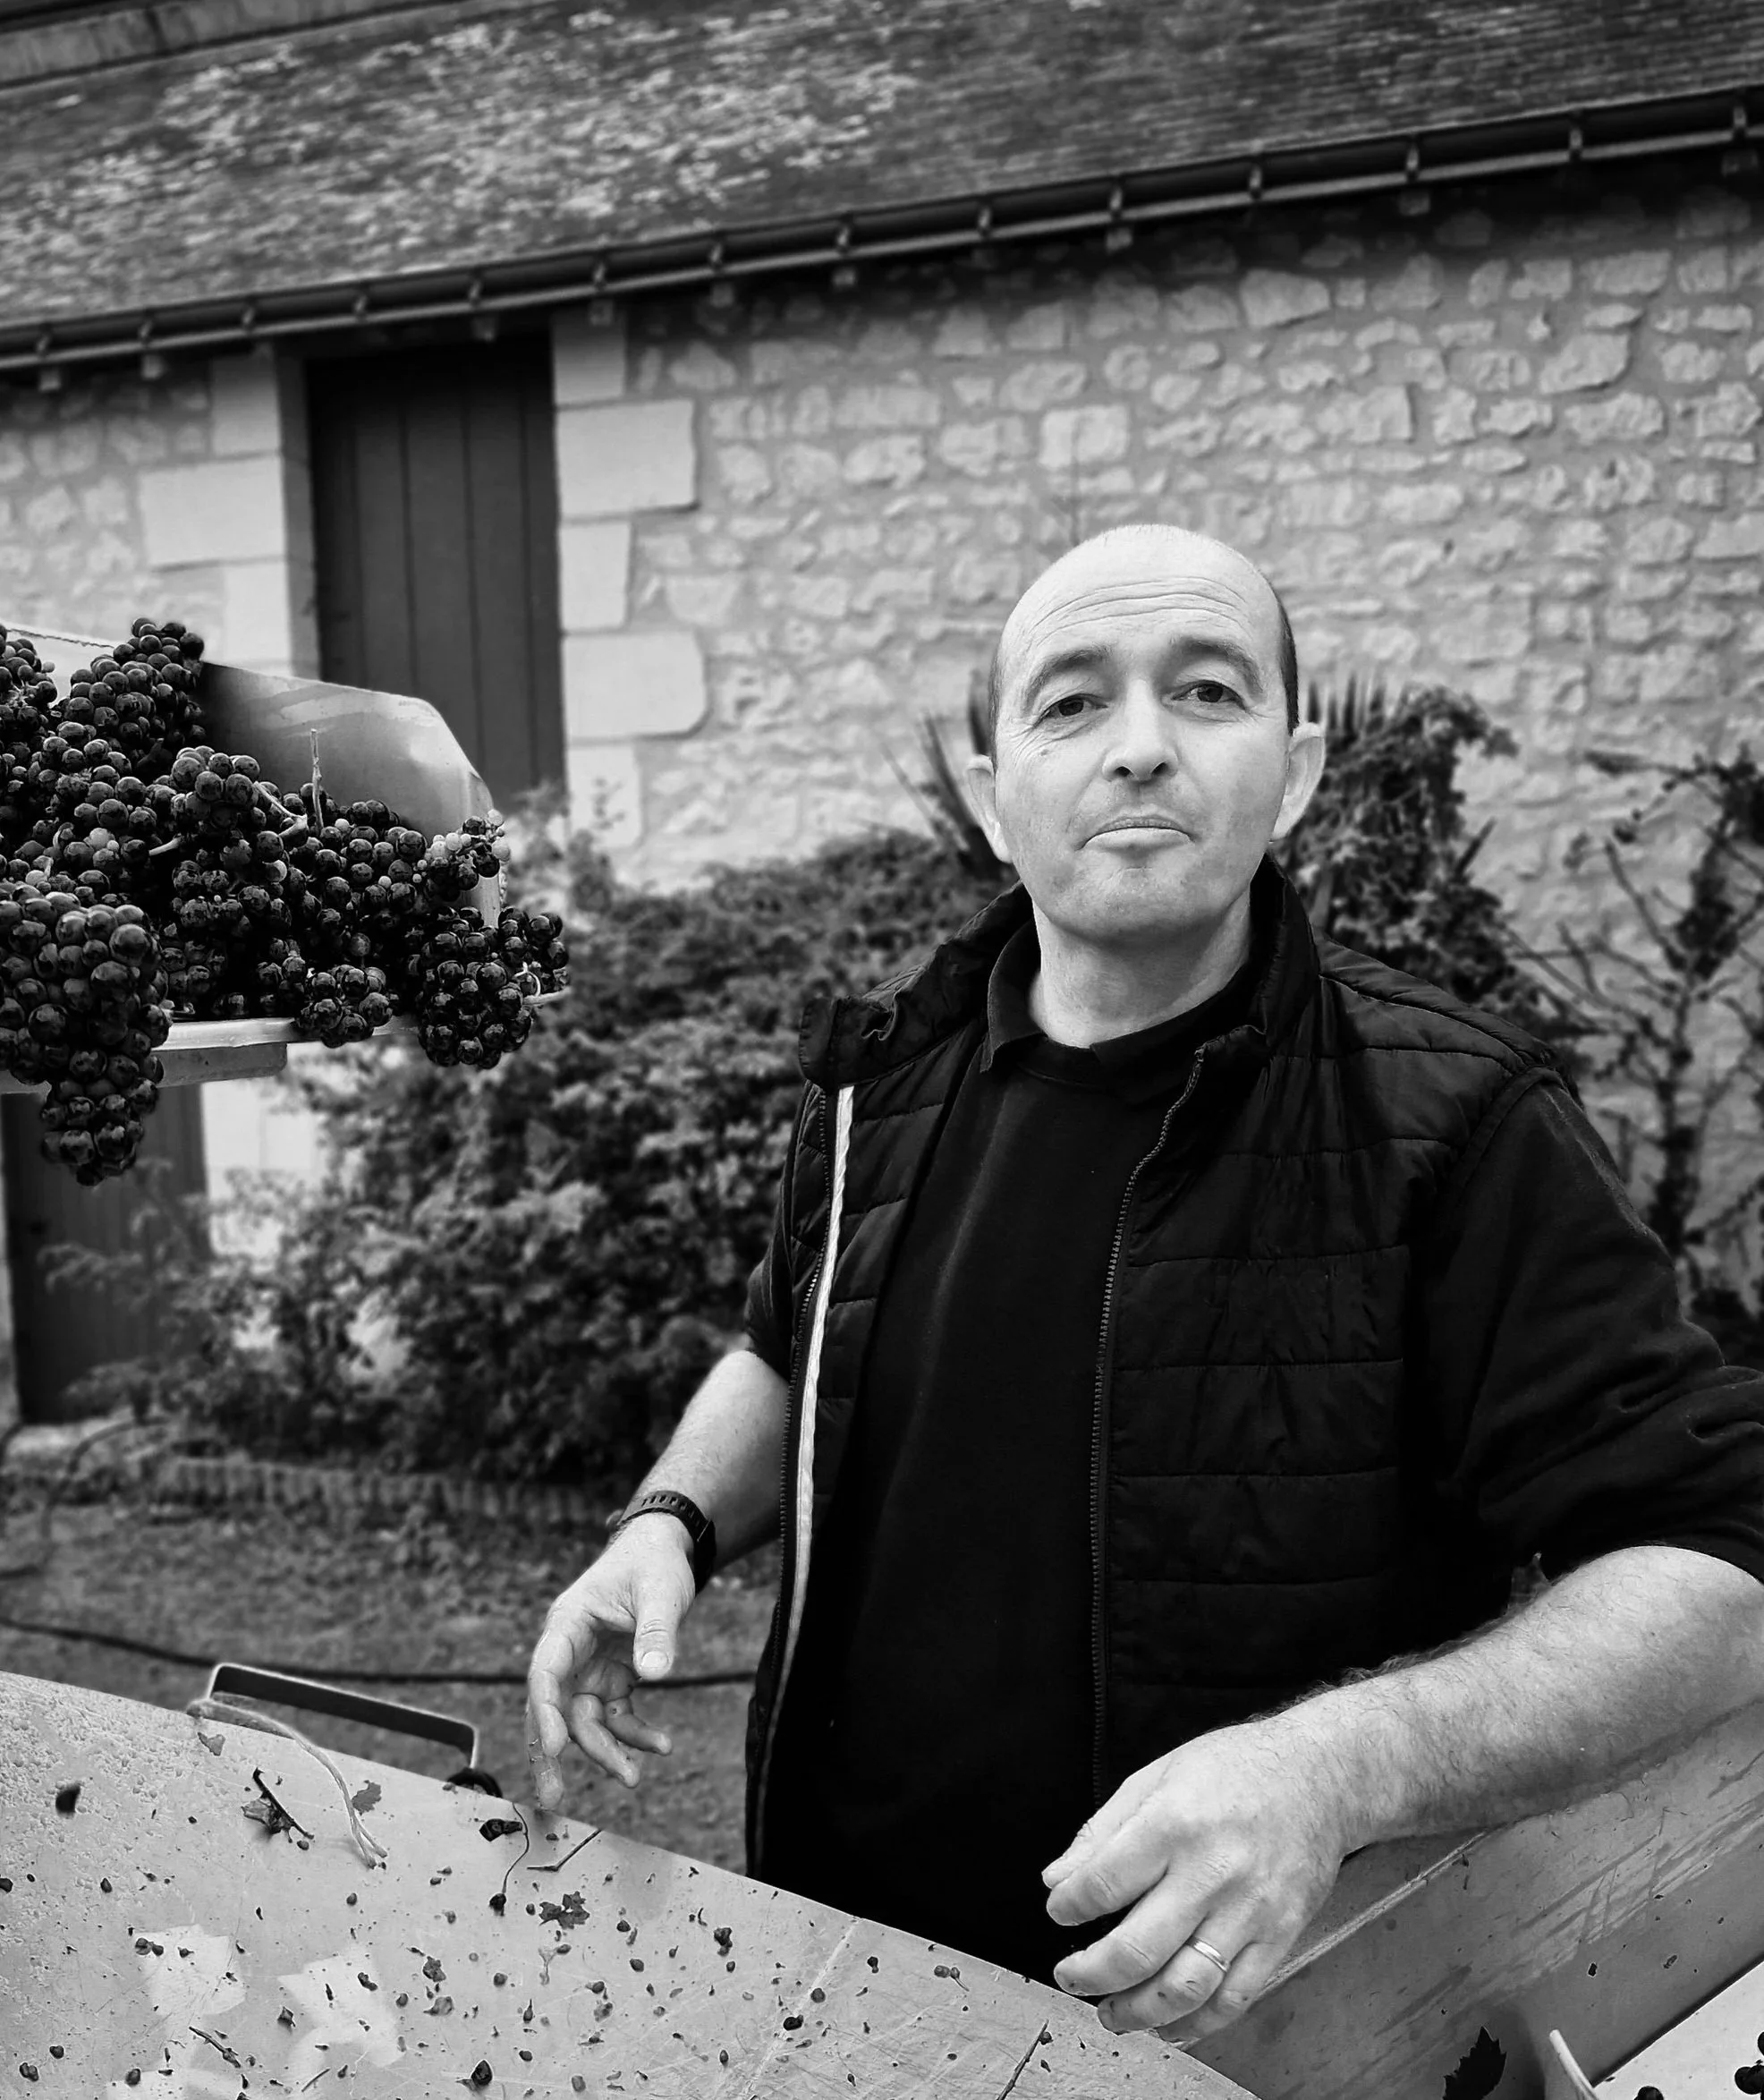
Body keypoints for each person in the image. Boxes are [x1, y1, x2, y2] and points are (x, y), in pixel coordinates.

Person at [528, 522, 1764, 2044]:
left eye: (1205, 691)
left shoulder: (1458, 1122)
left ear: (1296, 768)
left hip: (1229, 2032)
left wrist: (1332, 1767)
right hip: (834, 1987)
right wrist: (669, 1522)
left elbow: (1720, 1573)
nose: (1137, 749)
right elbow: (788, 1348)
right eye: (1070, 702)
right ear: (993, 792)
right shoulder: (878, 1083)